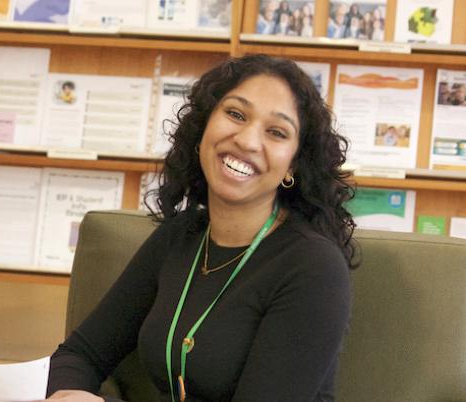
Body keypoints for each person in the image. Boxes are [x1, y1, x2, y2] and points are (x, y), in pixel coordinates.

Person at [43, 54, 357, 401]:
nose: (248, 140)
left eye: (276, 132)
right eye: (236, 114)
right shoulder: (184, 234)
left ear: (293, 165)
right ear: (203, 127)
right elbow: (79, 354)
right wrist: (69, 394)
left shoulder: (313, 268)